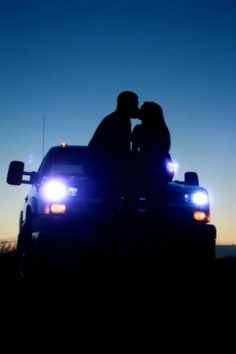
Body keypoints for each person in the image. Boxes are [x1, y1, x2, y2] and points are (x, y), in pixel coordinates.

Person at [87, 91, 139, 212]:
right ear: (126, 105)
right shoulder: (118, 121)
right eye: (135, 105)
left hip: (102, 164)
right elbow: (120, 151)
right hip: (101, 166)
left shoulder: (119, 119)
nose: (137, 108)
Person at [131, 101, 172, 215]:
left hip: (148, 168)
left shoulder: (138, 129)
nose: (139, 110)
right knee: (158, 202)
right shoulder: (163, 130)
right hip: (161, 169)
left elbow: (134, 152)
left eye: (142, 109)